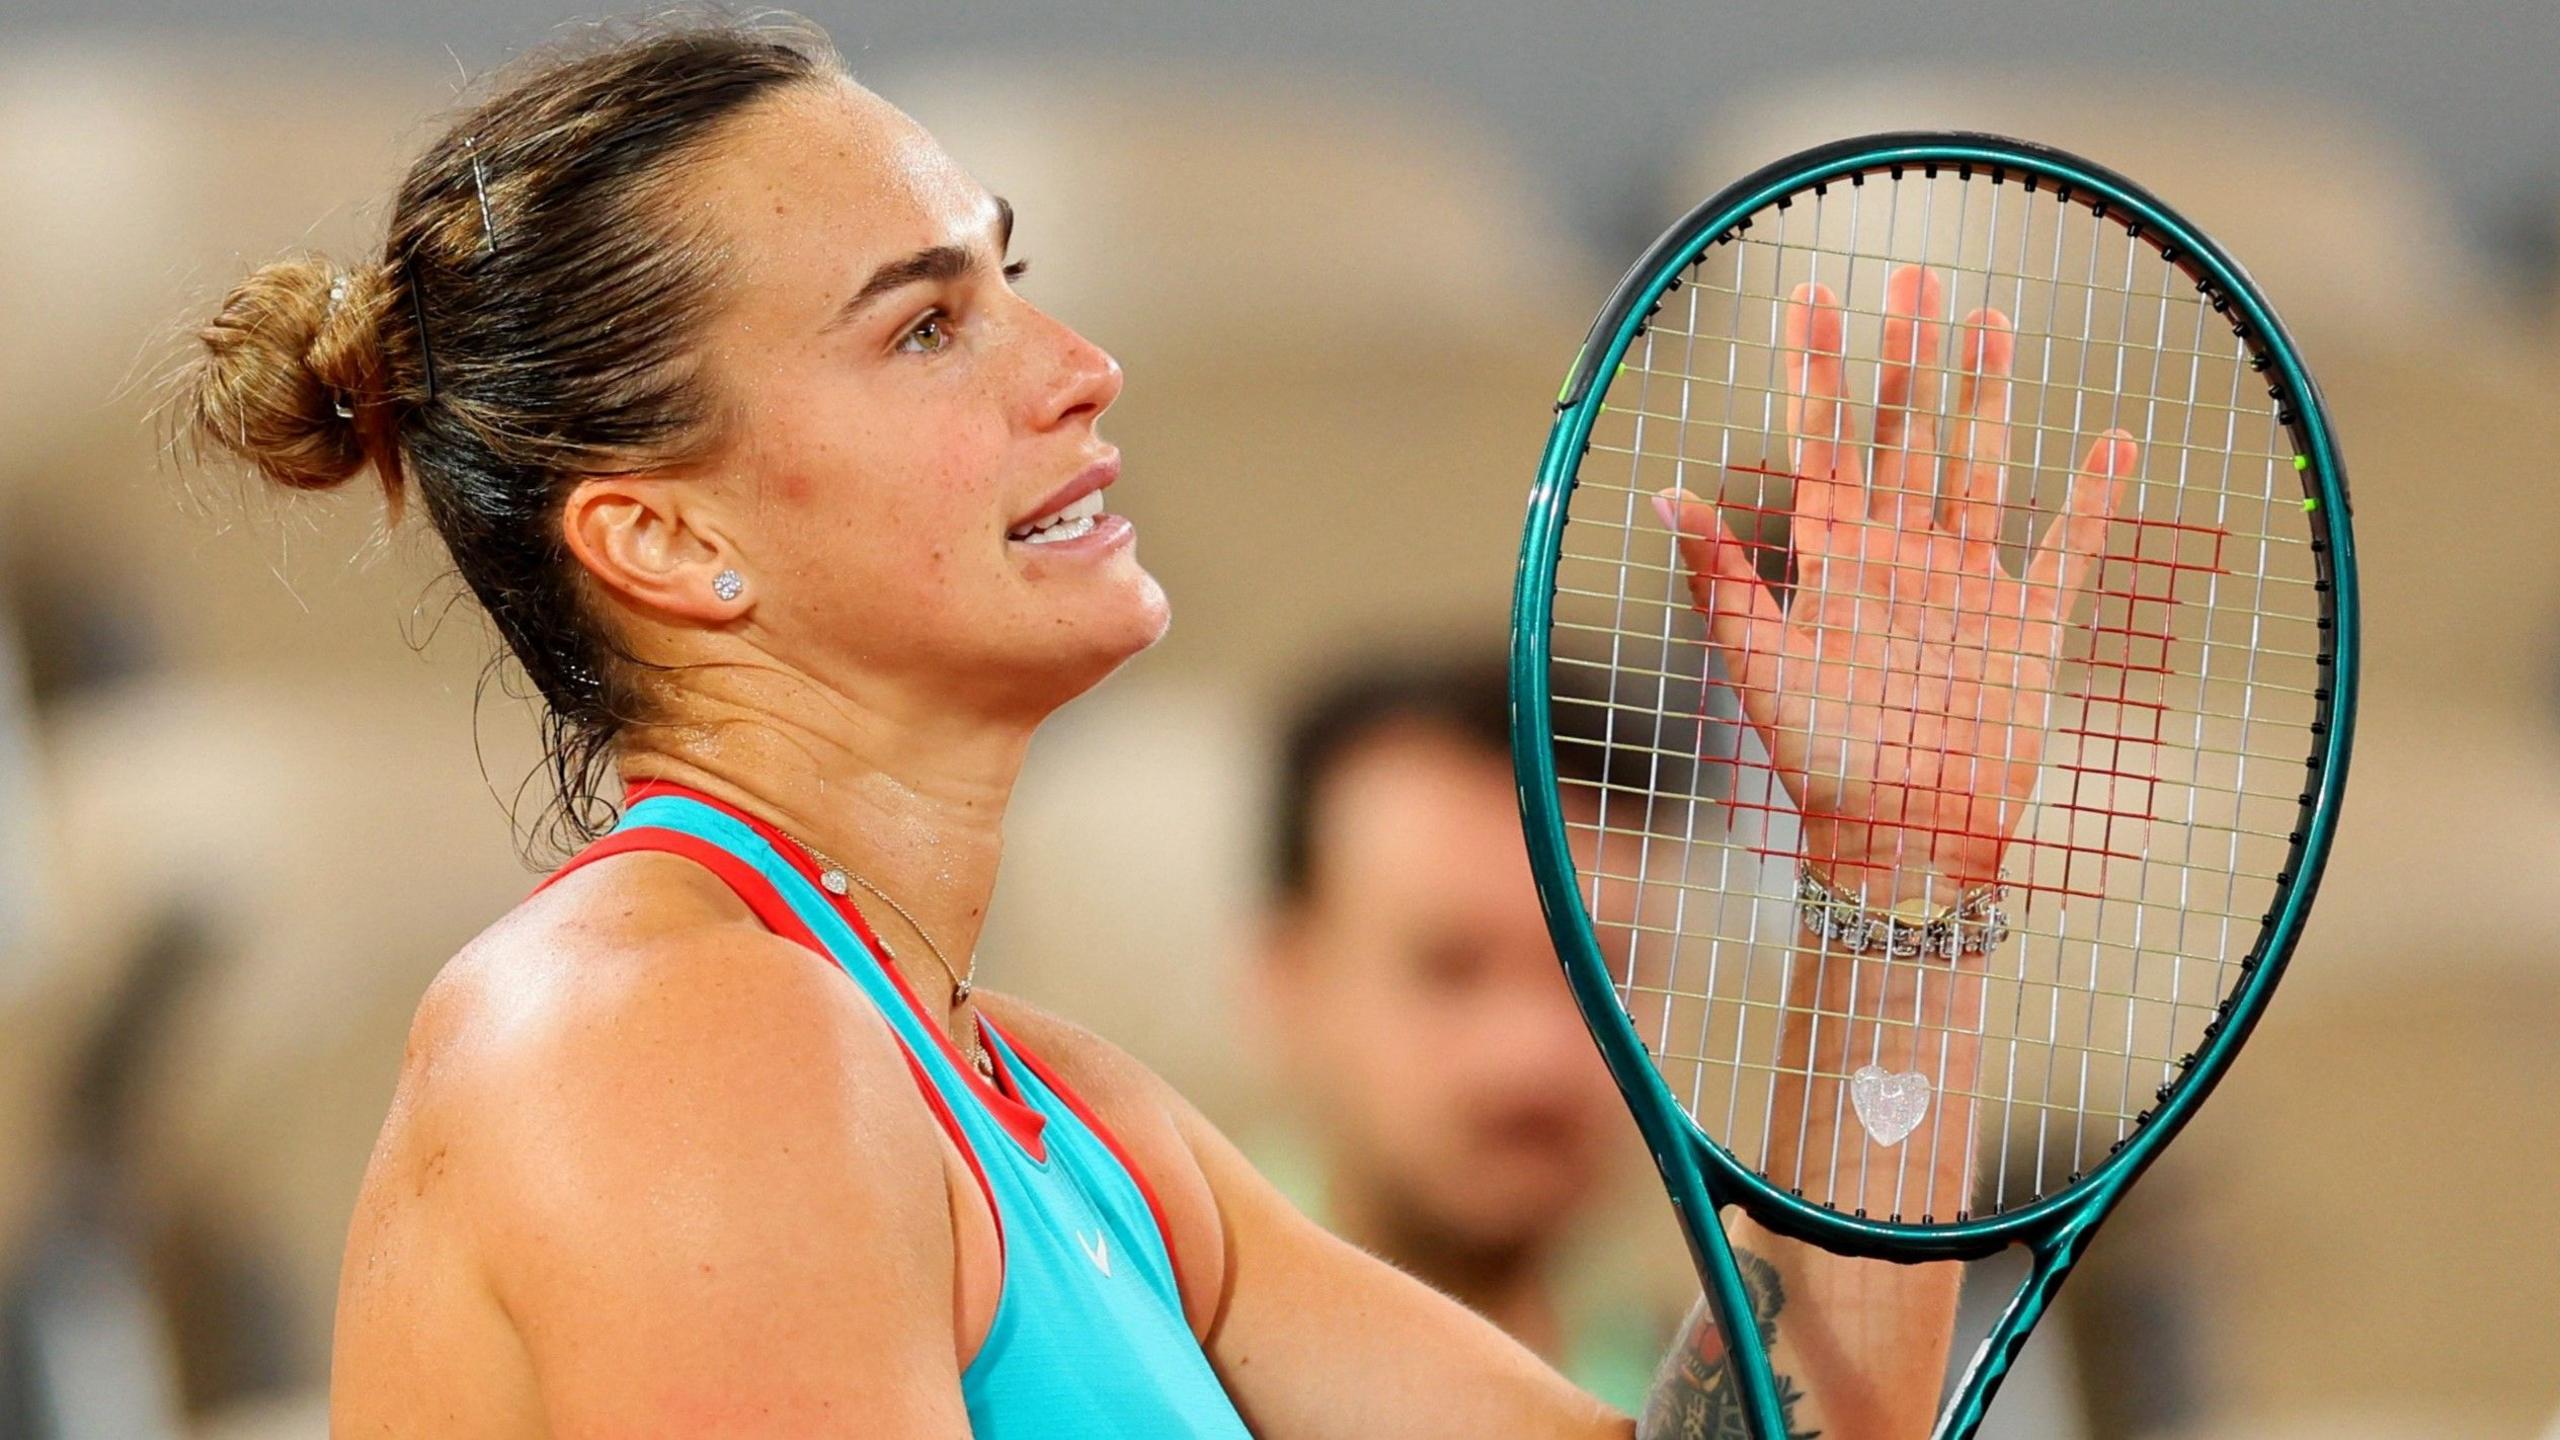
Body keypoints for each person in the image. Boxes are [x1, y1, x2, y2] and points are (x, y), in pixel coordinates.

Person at [167, 14, 2132, 1437]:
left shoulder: (1065, 1117)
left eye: (1010, 279)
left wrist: (1886, 897)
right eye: (925, 325)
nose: (1080, 369)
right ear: (665, 537)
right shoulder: (652, 1041)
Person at [1249, 656, 1688, 1415]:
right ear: (1288, 980)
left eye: (1597, 975)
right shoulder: (1105, 1340)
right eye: (1450, 968)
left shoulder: (1688, 1394)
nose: (1531, 1057)